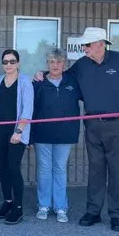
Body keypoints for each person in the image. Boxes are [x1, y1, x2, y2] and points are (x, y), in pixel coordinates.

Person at [34, 27, 119, 232]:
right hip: (92, 124)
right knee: (96, 169)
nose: (84, 48)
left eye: (87, 45)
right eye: (83, 45)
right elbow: (62, 75)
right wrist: (43, 74)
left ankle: (117, 215)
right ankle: (93, 211)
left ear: (100, 44)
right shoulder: (82, 64)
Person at [32, 48, 81, 223]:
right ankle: (43, 205)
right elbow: (32, 109)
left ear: (64, 64)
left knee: (59, 169)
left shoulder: (73, 82)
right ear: (47, 64)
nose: (55, 65)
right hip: (42, 133)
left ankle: (61, 207)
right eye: (52, 62)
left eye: (59, 62)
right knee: (44, 170)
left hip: (65, 133)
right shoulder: (38, 82)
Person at [0, 49, 33, 225]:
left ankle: (19, 208)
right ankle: (8, 201)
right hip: (0, 131)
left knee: (13, 167)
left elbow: (28, 109)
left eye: (12, 61)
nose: (9, 65)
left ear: (18, 63)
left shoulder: (25, 82)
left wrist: (19, 131)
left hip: (16, 132)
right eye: (5, 62)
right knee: (3, 167)